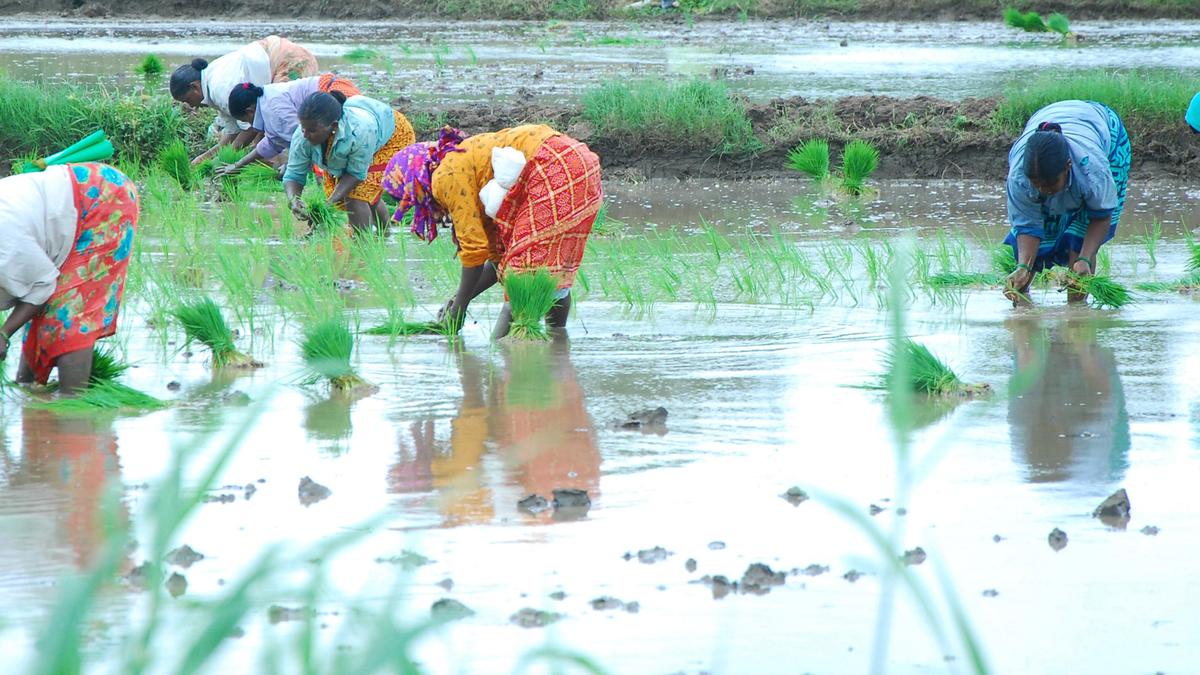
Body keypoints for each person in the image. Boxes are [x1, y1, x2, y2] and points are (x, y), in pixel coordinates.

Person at [383, 124, 602, 338]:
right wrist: (457, 299)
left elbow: (474, 252)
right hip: (579, 162)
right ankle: (558, 348)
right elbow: (498, 256)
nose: (417, 207)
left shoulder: (445, 176)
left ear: (415, 180)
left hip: (552, 165)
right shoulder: (466, 164)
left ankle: (502, 352)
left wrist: (458, 309)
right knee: (554, 271)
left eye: (409, 199)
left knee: (521, 280)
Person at [0, 163, 139, 394]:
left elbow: (42, 285)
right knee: (44, 309)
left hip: (102, 198)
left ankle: (73, 405)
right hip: (65, 203)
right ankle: (27, 390)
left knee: (70, 311)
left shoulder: (6, 244)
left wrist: (5, 332)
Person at [1002, 100, 1130, 306]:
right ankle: (1025, 311)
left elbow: (1101, 215)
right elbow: (1028, 226)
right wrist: (1023, 266)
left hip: (1106, 131)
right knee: (1037, 246)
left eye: (1051, 184)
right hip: (1050, 117)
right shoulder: (1019, 177)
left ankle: (1077, 318)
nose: (1044, 192)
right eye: (1037, 185)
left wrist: (1085, 258)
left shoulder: (1093, 171)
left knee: (1077, 251)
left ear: (1068, 166)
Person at [169, 36, 319, 165]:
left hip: (289, 61)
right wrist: (205, 158)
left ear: (194, 87)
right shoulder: (211, 84)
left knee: (279, 126)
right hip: (276, 52)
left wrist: (225, 160)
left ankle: (304, 167)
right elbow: (234, 131)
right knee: (264, 139)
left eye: (188, 100)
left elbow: (251, 127)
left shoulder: (220, 89)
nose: (192, 107)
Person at [282, 91, 416, 233]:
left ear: (333, 126)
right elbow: (294, 174)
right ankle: (386, 235)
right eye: (303, 128)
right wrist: (294, 200)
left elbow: (355, 174)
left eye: (311, 131)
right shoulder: (303, 135)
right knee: (364, 193)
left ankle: (362, 245)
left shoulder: (359, 132)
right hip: (364, 128)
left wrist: (328, 204)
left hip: (392, 136)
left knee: (355, 195)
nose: (305, 134)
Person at [216, 74, 362, 178]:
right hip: (333, 90)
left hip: (337, 97)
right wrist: (238, 165)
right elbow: (271, 143)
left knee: (351, 159)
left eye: (246, 120)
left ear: (250, 111)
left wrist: (289, 166)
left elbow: (303, 140)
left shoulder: (274, 111)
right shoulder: (266, 99)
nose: (250, 125)